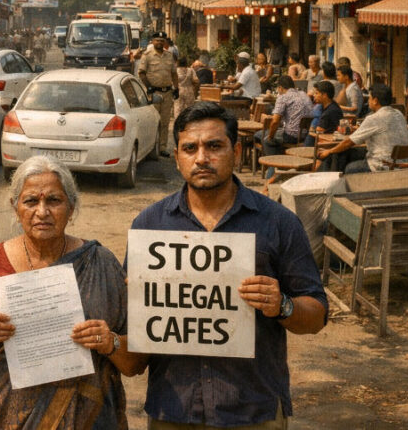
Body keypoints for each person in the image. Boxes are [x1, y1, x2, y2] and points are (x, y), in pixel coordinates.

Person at [122, 101, 328, 429]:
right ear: (177, 158)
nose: (202, 158)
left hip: (252, 409)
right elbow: (133, 339)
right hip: (174, 410)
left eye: (214, 146)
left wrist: (282, 305)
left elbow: (316, 315)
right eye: (190, 148)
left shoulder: (278, 223)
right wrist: (135, 302)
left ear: (236, 150)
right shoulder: (150, 224)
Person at [0, 156, 141, 428]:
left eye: (54, 201)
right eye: (31, 201)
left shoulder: (100, 263)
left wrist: (110, 343)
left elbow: (136, 363)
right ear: (15, 208)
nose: (42, 211)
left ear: (71, 208)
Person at [317, 83, 408, 174]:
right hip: (402, 162)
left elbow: (348, 143)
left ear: (375, 101)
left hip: (382, 165)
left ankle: (336, 182)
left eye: (369, 98)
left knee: (348, 166)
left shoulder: (374, 118)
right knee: (345, 153)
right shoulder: (399, 114)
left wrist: (329, 151)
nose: (368, 101)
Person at [254, 75, 313, 172]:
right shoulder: (304, 94)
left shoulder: (283, 97)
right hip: (305, 135)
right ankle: (279, 164)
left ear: (280, 88)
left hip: (291, 135)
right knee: (271, 136)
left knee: (261, 136)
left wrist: (270, 137)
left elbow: (275, 121)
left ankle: (273, 169)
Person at [138, 31, 179, 157]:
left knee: (165, 121)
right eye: (157, 40)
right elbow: (141, 73)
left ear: (165, 42)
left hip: (167, 92)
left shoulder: (169, 55)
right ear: (153, 41)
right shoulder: (147, 55)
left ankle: (162, 147)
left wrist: (176, 88)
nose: (160, 43)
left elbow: (174, 73)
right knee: (153, 121)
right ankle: (150, 148)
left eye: (162, 41)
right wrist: (148, 87)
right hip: (153, 93)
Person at [304, 80, 343, 146]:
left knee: (310, 135)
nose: (314, 95)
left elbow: (319, 130)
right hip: (329, 141)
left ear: (324, 95)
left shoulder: (329, 112)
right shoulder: (332, 105)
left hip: (326, 145)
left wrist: (312, 130)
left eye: (316, 93)